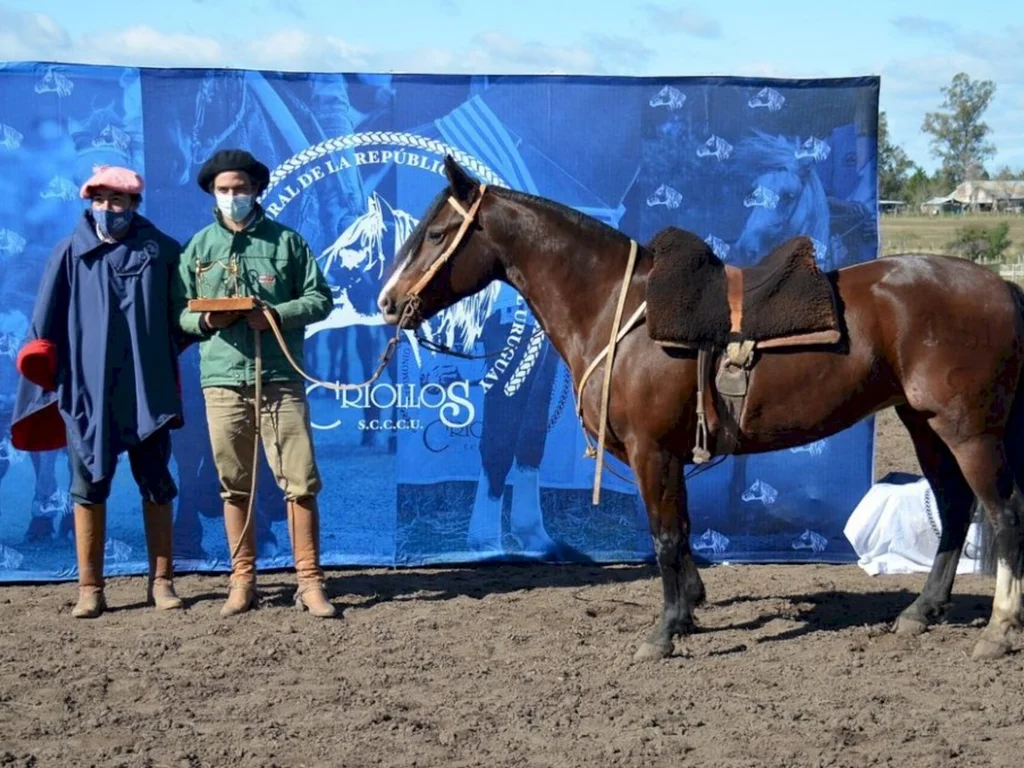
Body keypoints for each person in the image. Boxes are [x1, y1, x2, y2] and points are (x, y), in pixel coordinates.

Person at [10, 165, 185, 618]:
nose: (109, 209)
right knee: (88, 485)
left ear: (133, 205)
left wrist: (161, 354)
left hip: (148, 390)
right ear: (90, 202)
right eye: (101, 200)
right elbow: (43, 325)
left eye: (119, 201)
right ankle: (91, 587)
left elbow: (181, 320)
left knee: (157, 482)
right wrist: (44, 366)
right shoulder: (68, 252)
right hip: (88, 392)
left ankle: (161, 582)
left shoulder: (164, 251)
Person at [171, 149, 336, 618]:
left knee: (299, 481)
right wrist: (207, 323)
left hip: (280, 378)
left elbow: (320, 298)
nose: (232, 197)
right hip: (222, 380)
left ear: (256, 190)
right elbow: (181, 314)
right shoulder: (199, 247)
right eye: (223, 190)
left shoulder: (288, 243)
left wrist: (276, 315)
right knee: (233, 483)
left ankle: (309, 581)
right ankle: (242, 579)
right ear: (211, 194)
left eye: (240, 188)